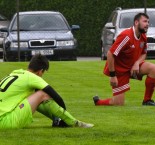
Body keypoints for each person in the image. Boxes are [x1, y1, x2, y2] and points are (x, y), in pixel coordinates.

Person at [0, 54, 94, 129]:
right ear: (41, 71)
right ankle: (73, 122)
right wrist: (65, 114)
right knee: (43, 94)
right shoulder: (32, 77)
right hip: (5, 121)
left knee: (36, 97)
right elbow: (57, 97)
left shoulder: (15, 73)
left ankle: (57, 121)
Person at [93, 12, 155, 106]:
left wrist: (137, 63)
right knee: (118, 103)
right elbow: (110, 54)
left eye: (148, 22)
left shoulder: (143, 36)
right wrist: (113, 76)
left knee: (153, 69)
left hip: (132, 67)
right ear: (136, 22)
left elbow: (143, 54)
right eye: (145, 21)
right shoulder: (126, 36)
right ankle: (98, 102)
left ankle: (147, 101)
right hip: (119, 70)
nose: (147, 24)